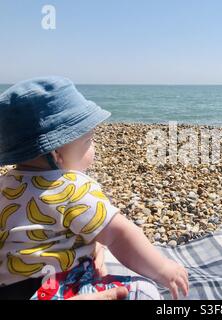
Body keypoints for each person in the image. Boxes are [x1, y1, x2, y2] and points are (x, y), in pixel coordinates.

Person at [0, 76, 189, 300]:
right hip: (55, 288)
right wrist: (163, 268)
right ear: (56, 154)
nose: (95, 148)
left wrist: (94, 245)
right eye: (88, 141)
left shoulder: (5, 185)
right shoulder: (73, 186)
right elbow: (121, 235)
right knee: (144, 291)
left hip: (9, 290)